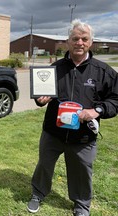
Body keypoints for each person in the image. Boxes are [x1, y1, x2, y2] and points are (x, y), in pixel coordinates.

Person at [27, 19, 118, 216]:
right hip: (53, 132)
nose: (79, 42)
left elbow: (115, 100)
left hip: (83, 136)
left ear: (90, 42)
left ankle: (82, 205)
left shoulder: (103, 72)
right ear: (67, 41)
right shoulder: (54, 68)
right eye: (75, 38)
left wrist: (97, 111)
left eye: (84, 39)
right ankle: (38, 193)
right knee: (44, 164)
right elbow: (41, 97)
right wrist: (40, 100)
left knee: (82, 171)